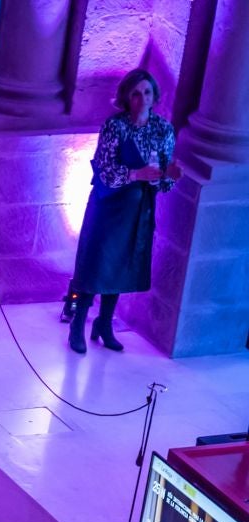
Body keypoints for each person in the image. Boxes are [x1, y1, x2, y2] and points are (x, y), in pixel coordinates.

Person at [65, 68, 181, 355]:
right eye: (136, 93)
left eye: (147, 93)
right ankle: (78, 321)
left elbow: (162, 181)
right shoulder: (115, 126)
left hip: (138, 209)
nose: (142, 99)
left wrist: (168, 176)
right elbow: (105, 171)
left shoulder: (163, 130)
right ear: (127, 98)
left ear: (154, 97)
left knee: (120, 267)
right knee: (93, 266)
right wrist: (136, 174)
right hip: (108, 206)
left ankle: (104, 324)